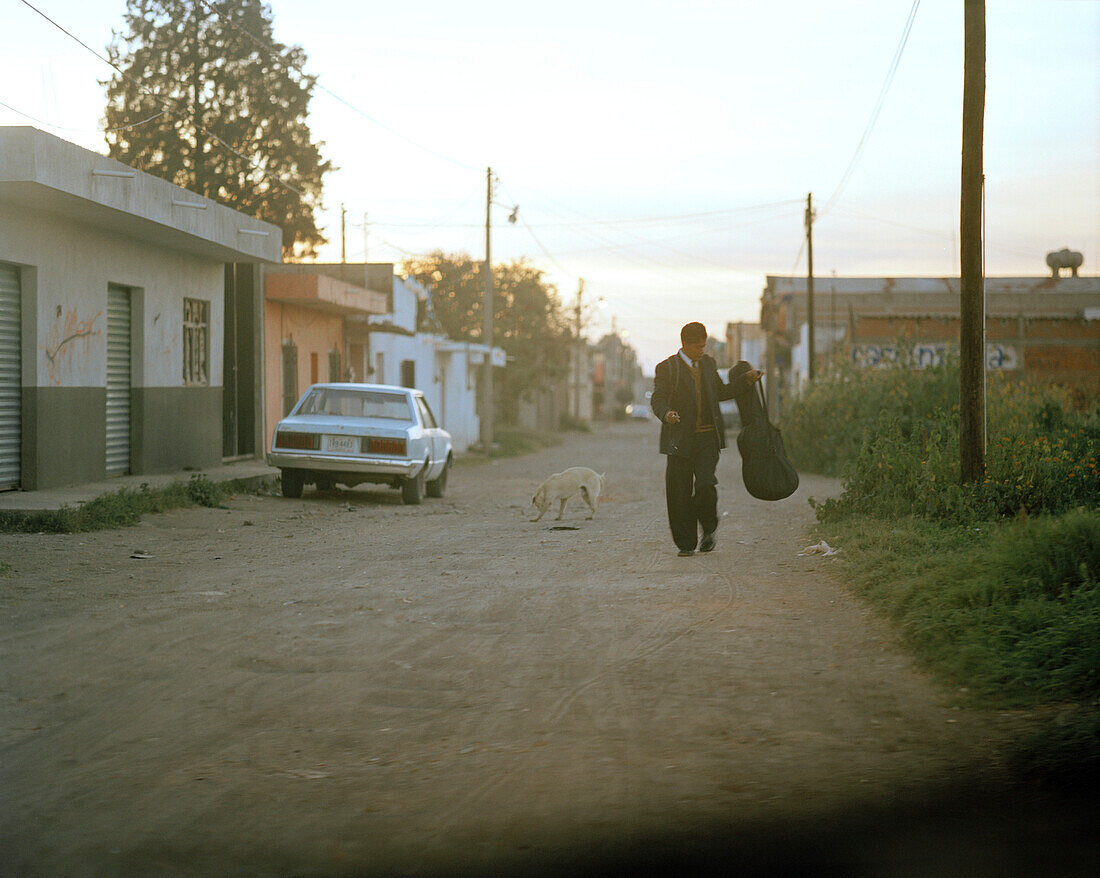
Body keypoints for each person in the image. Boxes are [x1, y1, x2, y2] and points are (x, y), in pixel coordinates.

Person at [650, 322, 764, 556]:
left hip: (707, 438)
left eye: (704, 346)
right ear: (685, 345)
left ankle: (709, 529)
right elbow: (658, 399)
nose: (701, 351)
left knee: (705, 485)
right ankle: (685, 544)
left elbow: (721, 392)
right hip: (679, 440)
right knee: (679, 491)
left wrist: (745, 381)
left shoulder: (709, 363)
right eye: (697, 347)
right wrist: (666, 414)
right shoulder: (667, 368)